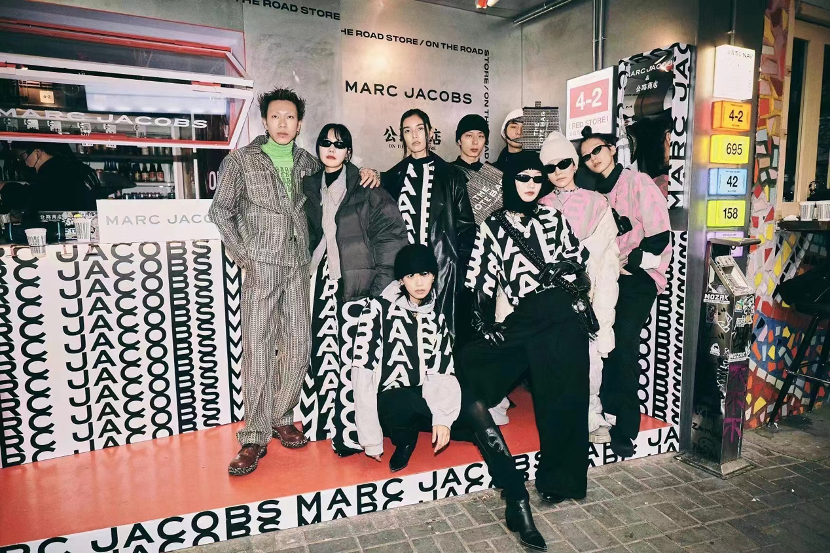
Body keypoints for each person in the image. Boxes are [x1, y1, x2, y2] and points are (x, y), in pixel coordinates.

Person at [209, 87, 379, 476]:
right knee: (257, 348)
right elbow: (220, 211)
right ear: (264, 121)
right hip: (261, 265)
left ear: (299, 124)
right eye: (275, 117)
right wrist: (244, 255)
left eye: (290, 117)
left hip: (300, 265)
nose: (282, 124)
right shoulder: (242, 161)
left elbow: (341, 175)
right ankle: (254, 436)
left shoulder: (307, 161)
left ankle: (282, 415)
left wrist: (372, 171)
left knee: (300, 344)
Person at [352, 244, 547, 552]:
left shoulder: (435, 319)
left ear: (434, 276)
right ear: (401, 280)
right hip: (390, 404)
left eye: (425, 274)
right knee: (406, 402)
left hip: (424, 398)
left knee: (477, 408)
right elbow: (362, 376)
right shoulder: (376, 311)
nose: (419, 282)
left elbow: (441, 374)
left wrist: (443, 417)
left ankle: (518, 500)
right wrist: (371, 438)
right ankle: (405, 440)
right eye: (411, 276)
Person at [462, 156, 591, 506]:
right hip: (529, 313)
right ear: (510, 181)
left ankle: (562, 481)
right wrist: (482, 322)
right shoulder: (494, 224)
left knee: (566, 398)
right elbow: (480, 279)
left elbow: (580, 261)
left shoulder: (554, 216)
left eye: (537, 178)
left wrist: (565, 265)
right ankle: (458, 420)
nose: (531, 184)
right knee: (471, 362)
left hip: (565, 311)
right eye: (523, 177)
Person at [301, 123, 407, 453]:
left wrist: (378, 290)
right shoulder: (308, 187)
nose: (332, 149)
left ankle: (352, 436)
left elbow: (392, 238)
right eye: (326, 143)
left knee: (354, 365)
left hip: (358, 287)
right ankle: (322, 426)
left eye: (339, 144)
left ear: (349, 151)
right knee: (323, 357)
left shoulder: (366, 186)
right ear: (318, 149)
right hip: (321, 285)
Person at [578, 126, 672, 458]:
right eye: (586, 156)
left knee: (624, 341)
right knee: (603, 342)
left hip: (639, 276)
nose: (593, 158)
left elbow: (660, 235)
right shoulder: (593, 195)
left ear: (612, 149)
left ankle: (627, 426)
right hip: (607, 279)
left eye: (597, 150)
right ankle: (604, 414)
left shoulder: (638, 182)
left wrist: (631, 261)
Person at [538, 131, 620, 444]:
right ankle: (564, 417)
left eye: (563, 163)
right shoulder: (540, 205)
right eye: (550, 167)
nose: (558, 171)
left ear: (574, 164)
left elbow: (608, 260)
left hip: (590, 293)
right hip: (552, 297)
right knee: (554, 359)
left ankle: (592, 413)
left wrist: (602, 303)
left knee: (590, 357)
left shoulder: (597, 203)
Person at [381, 109, 475, 341]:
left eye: (419, 129)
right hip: (404, 274)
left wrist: (459, 270)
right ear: (402, 136)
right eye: (407, 131)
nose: (414, 136)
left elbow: (466, 228)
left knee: (442, 339)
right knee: (405, 340)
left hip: (443, 271)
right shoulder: (392, 178)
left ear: (430, 132)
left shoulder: (452, 176)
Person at [9, 142, 96, 218]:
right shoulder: (78, 167)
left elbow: (32, 198)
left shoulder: (50, 173)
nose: (22, 162)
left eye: (22, 157)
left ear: (38, 153)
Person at [450, 114, 503, 224]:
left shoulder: (492, 173)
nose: (475, 142)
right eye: (469, 136)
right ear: (459, 140)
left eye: (480, 136)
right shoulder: (448, 172)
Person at [492, 109, 528, 175]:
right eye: (514, 127)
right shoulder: (491, 171)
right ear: (504, 131)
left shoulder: (543, 165)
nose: (519, 132)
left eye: (525, 127)